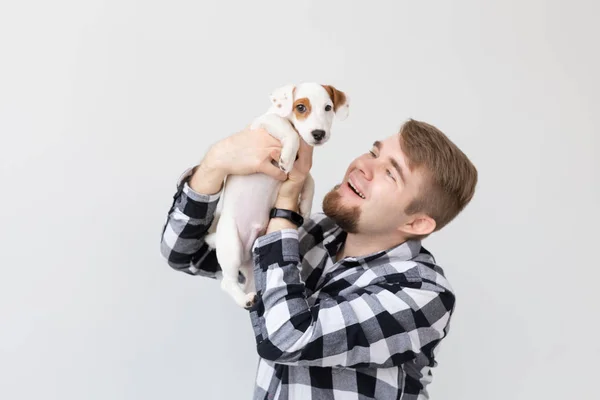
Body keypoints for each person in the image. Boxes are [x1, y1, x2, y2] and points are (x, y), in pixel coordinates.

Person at [160, 118, 478, 399]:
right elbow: (187, 254)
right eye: (374, 152)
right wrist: (215, 166)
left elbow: (287, 338)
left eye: (390, 173)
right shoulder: (313, 233)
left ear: (416, 223)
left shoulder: (422, 294)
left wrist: (284, 209)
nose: (363, 166)